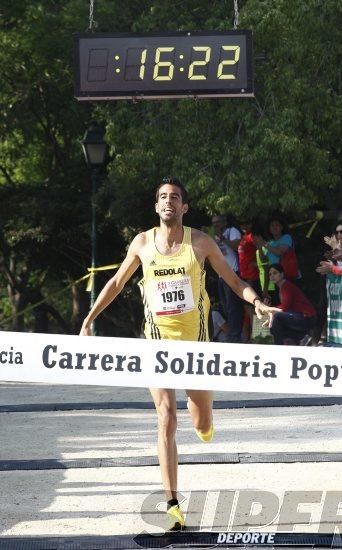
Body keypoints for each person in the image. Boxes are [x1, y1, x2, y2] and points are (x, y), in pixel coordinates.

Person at [80, 177, 276, 531]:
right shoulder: (142, 244)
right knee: (165, 417)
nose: (169, 201)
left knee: (201, 422)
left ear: (184, 208)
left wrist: (257, 302)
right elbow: (116, 283)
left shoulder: (200, 243)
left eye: (175, 197)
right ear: (157, 207)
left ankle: (202, 414)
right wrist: (89, 318)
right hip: (157, 345)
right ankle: (172, 503)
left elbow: (233, 281)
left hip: (196, 347)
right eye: (163, 197)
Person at [211, 214, 244, 342]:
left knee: (233, 306)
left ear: (224, 221)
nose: (216, 225)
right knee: (225, 306)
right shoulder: (214, 237)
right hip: (221, 275)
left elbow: (237, 247)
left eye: (218, 222)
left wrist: (223, 238)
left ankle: (235, 335)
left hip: (233, 273)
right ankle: (232, 333)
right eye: (214, 223)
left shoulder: (232, 232)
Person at [268, 263, 316, 346]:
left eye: (275, 273)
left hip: (307, 318)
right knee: (274, 324)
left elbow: (285, 307)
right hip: (299, 316)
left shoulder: (286, 286)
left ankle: (278, 347)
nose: (272, 276)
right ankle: (302, 338)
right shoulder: (282, 287)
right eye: (270, 274)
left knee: (276, 317)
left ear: (282, 274)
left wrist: (269, 309)